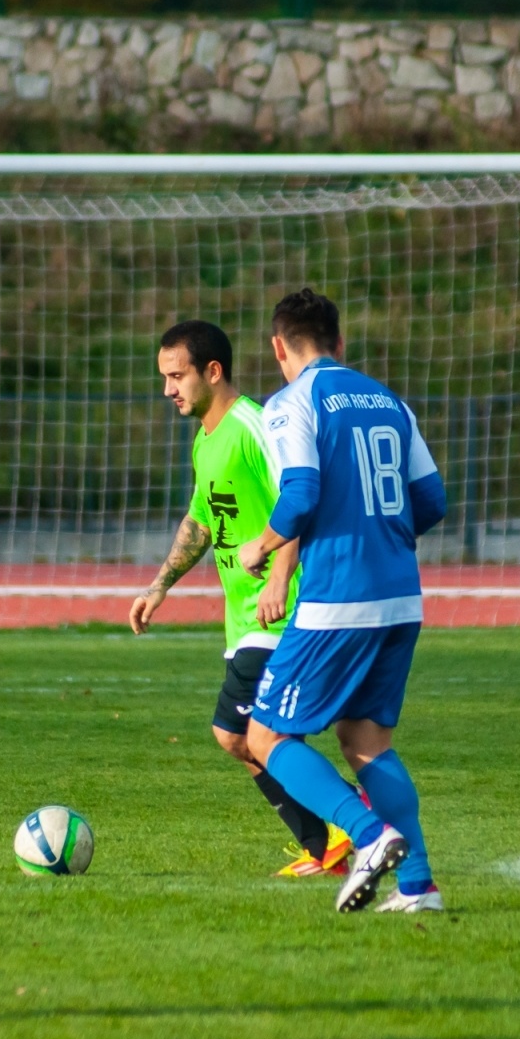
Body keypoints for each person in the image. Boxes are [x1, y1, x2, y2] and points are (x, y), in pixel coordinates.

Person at [237, 289, 448, 914]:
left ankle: (368, 835)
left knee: (264, 737)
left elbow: (299, 494)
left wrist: (263, 544)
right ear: (340, 342)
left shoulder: (292, 403)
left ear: (279, 347)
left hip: (337, 602)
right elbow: (431, 501)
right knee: (366, 742)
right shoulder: (389, 401)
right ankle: (419, 889)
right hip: (400, 598)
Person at [130, 319, 353, 878]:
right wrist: (159, 586)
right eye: (164, 379)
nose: (168, 390)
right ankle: (329, 841)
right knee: (249, 738)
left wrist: (280, 576)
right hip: (243, 620)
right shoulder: (206, 440)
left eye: (176, 376)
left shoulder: (255, 425)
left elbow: (299, 497)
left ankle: (351, 823)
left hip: (280, 612)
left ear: (213, 371)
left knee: (237, 733)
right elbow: (203, 521)